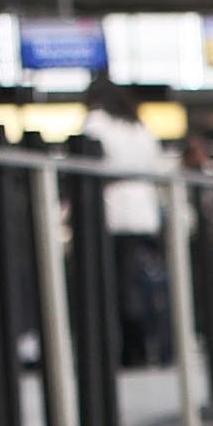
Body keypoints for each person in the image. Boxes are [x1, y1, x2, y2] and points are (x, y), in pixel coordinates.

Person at [81, 75, 171, 368]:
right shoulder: (138, 126)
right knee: (144, 284)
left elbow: (85, 162)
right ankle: (151, 345)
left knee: (118, 288)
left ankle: (127, 351)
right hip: (145, 213)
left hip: (113, 214)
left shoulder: (96, 122)